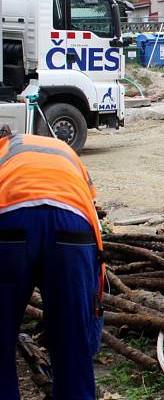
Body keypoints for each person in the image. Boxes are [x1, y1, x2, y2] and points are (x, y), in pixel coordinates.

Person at [0, 128, 105, 399]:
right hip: (73, 225)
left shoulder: (2, 153)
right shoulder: (61, 149)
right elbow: (90, 201)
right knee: (73, 340)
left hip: (10, 222)